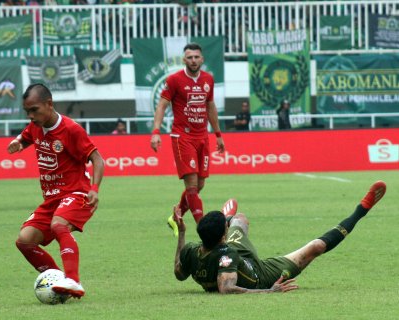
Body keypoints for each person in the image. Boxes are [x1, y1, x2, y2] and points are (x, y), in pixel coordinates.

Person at [173, 181, 386, 294]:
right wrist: (269, 290)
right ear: (222, 237)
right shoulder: (227, 255)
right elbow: (226, 289)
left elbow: (179, 273)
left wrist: (182, 233)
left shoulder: (191, 250)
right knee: (316, 247)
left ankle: (229, 218)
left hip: (235, 256)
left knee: (240, 219)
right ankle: (362, 210)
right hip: (261, 274)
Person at [7, 84, 105, 299]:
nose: (31, 116)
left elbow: (97, 159)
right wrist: (18, 143)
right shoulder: (35, 125)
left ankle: (73, 281)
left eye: (34, 110)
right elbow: (26, 136)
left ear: (49, 104)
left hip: (77, 193)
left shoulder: (71, 129)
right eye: (27, 112)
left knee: (59, 225)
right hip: (52, 200)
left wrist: (95, 189)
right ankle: (59, 280)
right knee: (24, 241)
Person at [149, 43, 225, 230]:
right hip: (182, 136)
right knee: (191, 186)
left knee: (199, 185)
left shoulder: (208, 79)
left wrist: (218, 134)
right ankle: (204, 229)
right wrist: (156, 132)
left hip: (202, 137)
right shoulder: (174, 80)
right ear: (184, 60)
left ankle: (176, 216)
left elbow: (210, 106)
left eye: (196, 57)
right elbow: (162, 105)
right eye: (189, 57)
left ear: (202, 59)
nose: (193, 60)